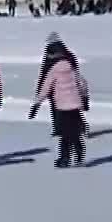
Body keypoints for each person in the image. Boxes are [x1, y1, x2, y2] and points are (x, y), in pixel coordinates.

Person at [31, 40, 91, 168]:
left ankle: (64, 159)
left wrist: (36, 104)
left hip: (63, 108)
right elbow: (84, 84)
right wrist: (85, 99)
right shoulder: (71, 68)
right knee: (76, 134)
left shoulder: (53, 71)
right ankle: (80, 158)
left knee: (65, 135)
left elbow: (45, 89)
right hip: (75, 106)